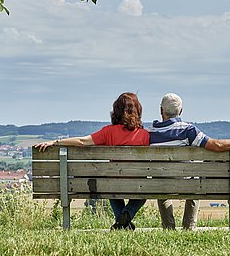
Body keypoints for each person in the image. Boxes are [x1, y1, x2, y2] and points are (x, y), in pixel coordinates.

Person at [35, 92, 149, 230]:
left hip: (113, 184)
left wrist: (57, 142)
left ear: (116, 111)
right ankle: (126, 215)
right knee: (142, 194)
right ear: (138, 110)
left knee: (112, 190)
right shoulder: (144, 135)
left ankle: (122, 221)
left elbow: (82, 141)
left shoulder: (108, 132)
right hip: (137, 184)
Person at [148, 93, 230, 230]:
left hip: (160, 184)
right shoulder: (188, 130)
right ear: (181, 111)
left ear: (161, 110)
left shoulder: (150, 133)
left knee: (162, 183)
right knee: (195, 180)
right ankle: (189, 227)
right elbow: (216, 145)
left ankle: (168, 227)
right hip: (187, 183)